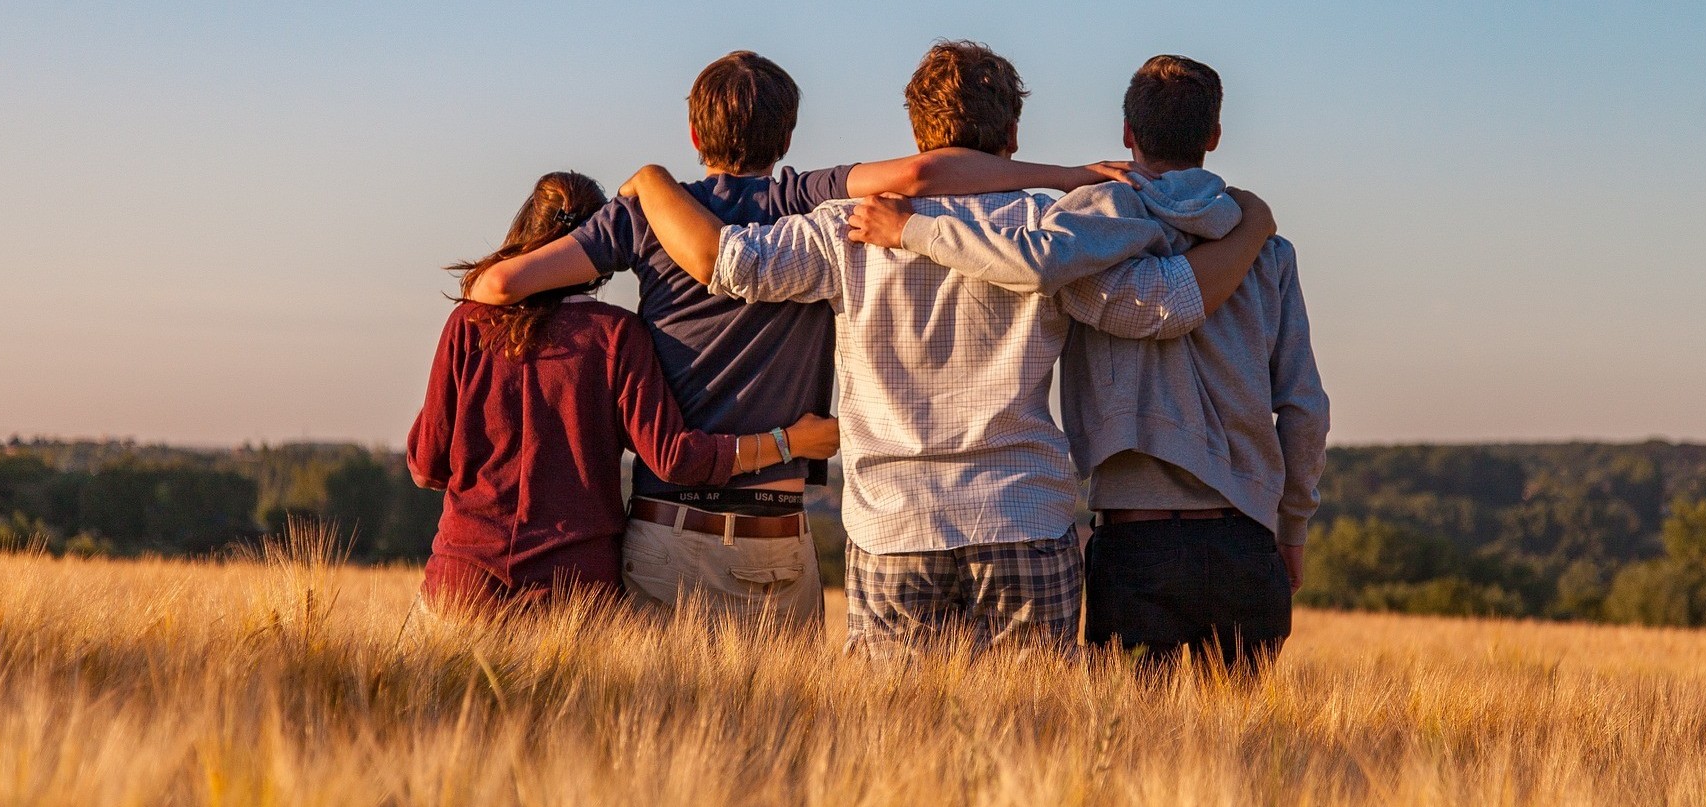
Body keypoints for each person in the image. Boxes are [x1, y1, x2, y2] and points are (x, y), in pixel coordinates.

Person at [622, 41, 1278, 657]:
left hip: (893, 525)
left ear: (916, 134)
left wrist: (652, 182)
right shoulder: (1051, 230)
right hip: (1022, 514)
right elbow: (1163, 305)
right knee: (1032, 740)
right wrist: (1252, 227)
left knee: (896, 744)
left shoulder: (845, 229)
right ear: (1012, 137)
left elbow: (727, 263)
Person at [461, 51, 1136, 629]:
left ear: (693, 133)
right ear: (787, 137)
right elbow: (925, 176)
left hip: (669, 526)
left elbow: (495, 289)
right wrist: (1066, 176)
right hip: (777, 534)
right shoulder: (804, 199)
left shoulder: (644, 216)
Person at [848, 55, 1330, 673]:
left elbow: (1032, 262)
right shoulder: (1267, 250)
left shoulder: (1086, 229)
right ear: (1213, 137)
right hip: (1246, 538)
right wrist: (1292, 528)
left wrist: (913, 230)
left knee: (1129, 752)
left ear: (1127, 133)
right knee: (1241, 757)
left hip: (1135, 541)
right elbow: (1304, 408)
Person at [406, 171, 839, 616]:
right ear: (599, 249)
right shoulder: (616, 336)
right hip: (574, 594)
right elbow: (675, 458)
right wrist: (790, 442)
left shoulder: (469, 324)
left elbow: (427, 465)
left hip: (463, 583)